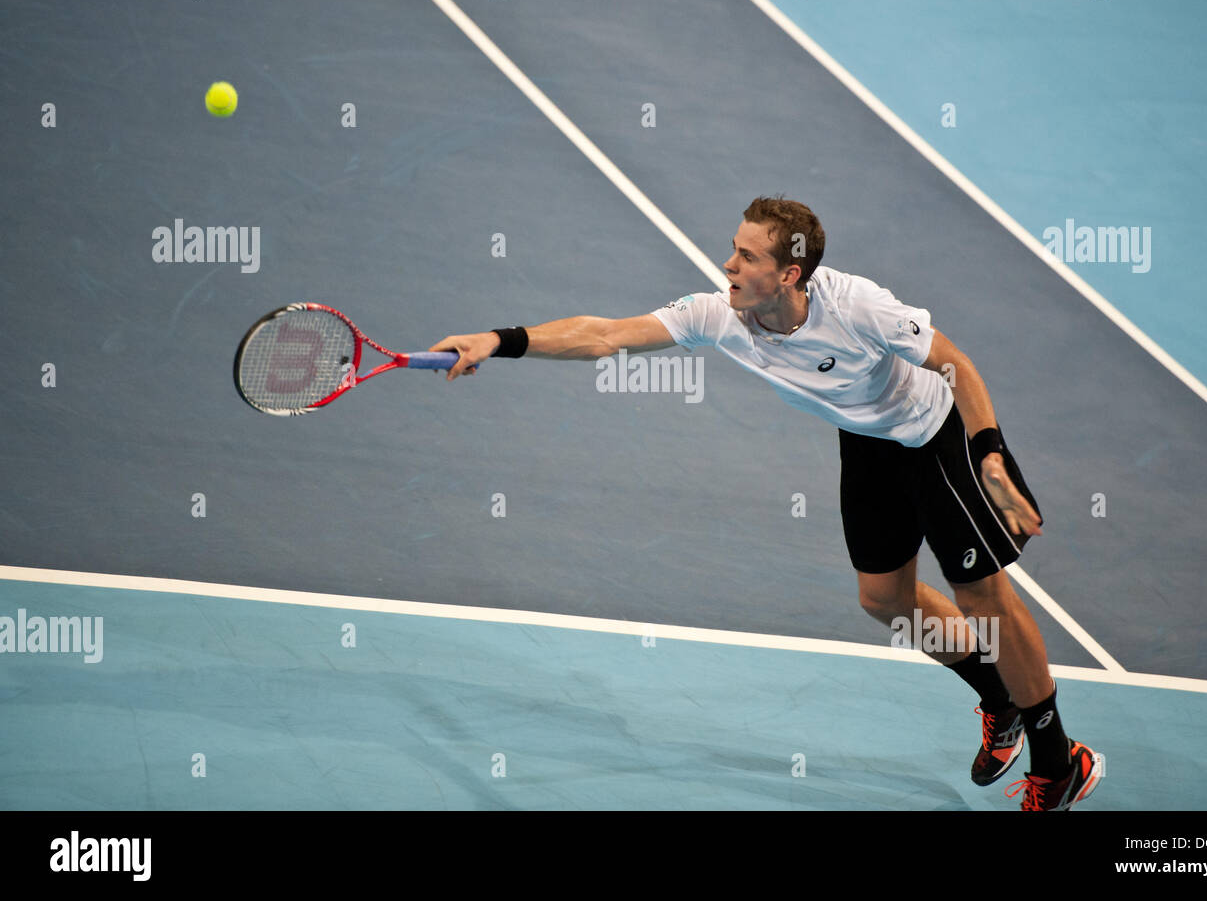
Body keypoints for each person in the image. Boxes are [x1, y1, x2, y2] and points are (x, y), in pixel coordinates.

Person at [430, 196, 1101, 811]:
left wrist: (988, 452)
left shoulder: (857, 307)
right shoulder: (721, 316)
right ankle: (998, 697)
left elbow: (954, 363)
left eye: (747, 255)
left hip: (933, 440)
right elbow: (605, 335)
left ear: (790, 274)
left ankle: (1057, 759)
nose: (728, 263)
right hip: (866, 444)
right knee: (885, 601)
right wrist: (498, 339)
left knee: (983, 599)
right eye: (734, 247)